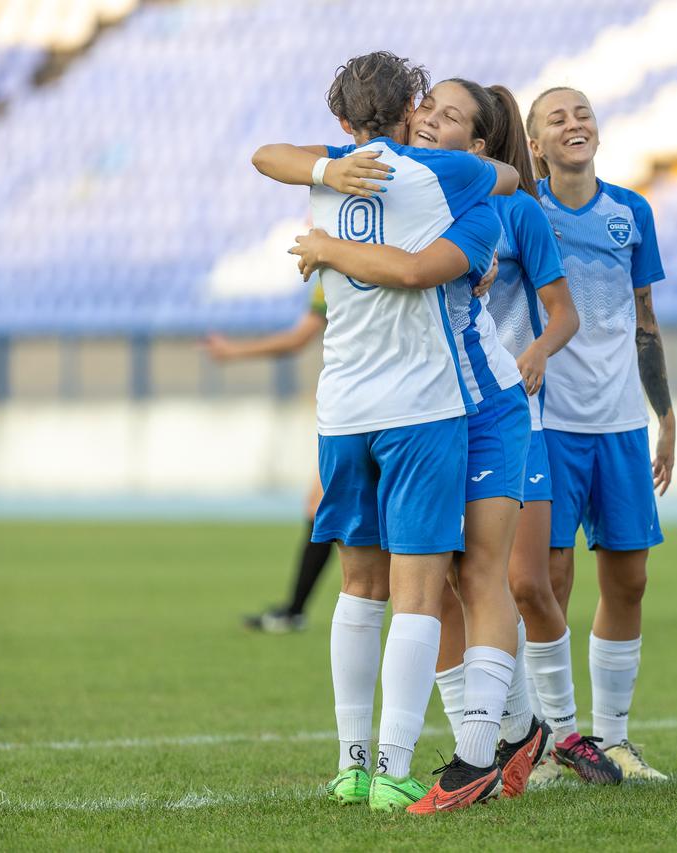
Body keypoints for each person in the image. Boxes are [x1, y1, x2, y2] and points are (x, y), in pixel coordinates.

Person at [288, 77, 588, 797]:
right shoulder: (399, 185)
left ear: (476, 146)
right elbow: (286, 160)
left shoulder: (493, 206)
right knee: (441, 582)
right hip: (432, 403)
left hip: (486, 406)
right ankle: (509, 730)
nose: (427, 121)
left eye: (448, 116)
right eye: (426, 108)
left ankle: (479, 754)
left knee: (481, 573)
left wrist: (328, 248)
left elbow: (418, 272)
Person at [250, 50, 520, 813]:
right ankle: (396, 765)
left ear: (340, 120)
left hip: (341, 411)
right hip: (420, 410)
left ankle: (351, 761)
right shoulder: (448, 174)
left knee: (359, 589)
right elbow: (503, 175)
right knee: (418, 593)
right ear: (410, 107)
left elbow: (263, 153)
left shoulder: (327, 165)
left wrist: (329, 176)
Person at [525, 86, 676, 781]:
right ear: (534, 145)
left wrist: (665, 414)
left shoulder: (631, 212)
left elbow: (646, 322)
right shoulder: (528, 213)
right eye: (557, 117)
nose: (574, 122)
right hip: (549, 423)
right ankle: (557, 740)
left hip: (619, 424)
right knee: (547, 580)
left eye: (582, 112)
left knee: (630, 579)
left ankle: (613, 737)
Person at [204, 277, 332, 634]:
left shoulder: (335, 261)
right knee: (322, 506)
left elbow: (298, 337)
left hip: (369, 406)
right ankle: (295, 610)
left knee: (327, 507)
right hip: (381, 401)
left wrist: (233, 353)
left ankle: (419, 614)